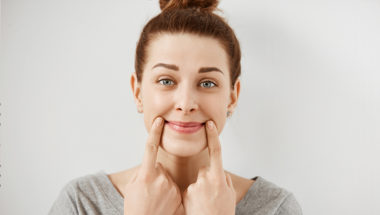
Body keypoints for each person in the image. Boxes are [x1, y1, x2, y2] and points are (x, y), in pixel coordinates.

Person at [49, 0, 303, 214]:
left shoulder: (276, 208)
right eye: (166, 81)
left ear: (232, 97)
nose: (185, 104)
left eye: (207, 83)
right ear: (138, 92)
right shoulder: (82, 203)